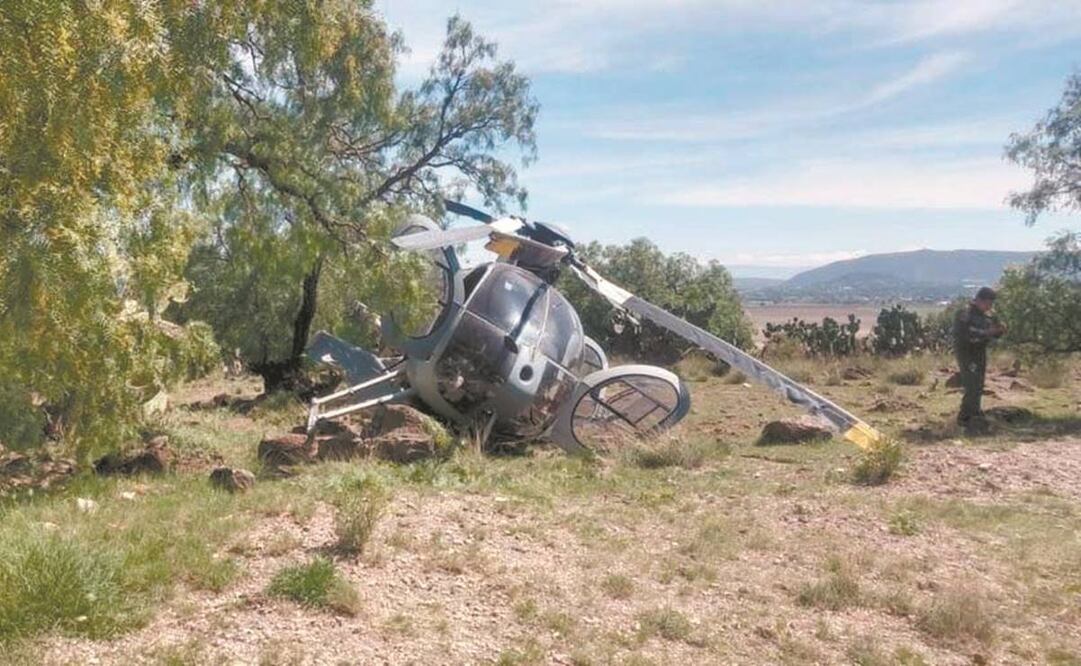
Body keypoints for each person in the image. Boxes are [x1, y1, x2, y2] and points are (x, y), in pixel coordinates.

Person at [953, 287, 1006, 433]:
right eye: (988, 303)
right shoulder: (965, 313)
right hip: (967, 353)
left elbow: (994, 333)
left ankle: (974, 413)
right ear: (980, 300)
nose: (990, 307)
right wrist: (987, 332)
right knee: (972, 384)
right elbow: (965, 333)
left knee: (979, 384)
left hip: (979, 352)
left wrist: (999, 330)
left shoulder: (987, 316)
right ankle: (965, 417)